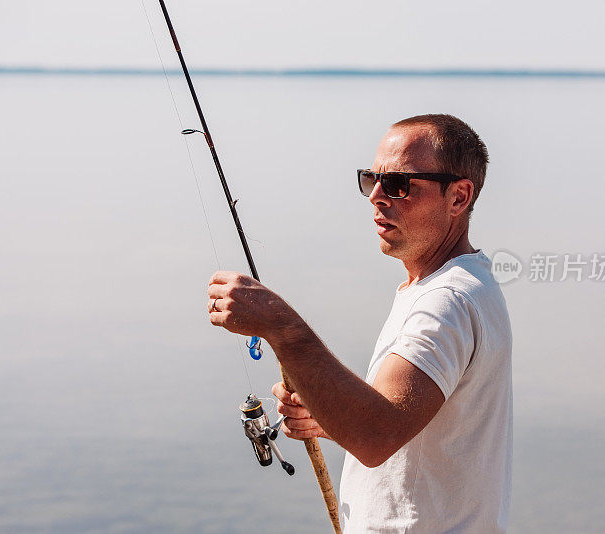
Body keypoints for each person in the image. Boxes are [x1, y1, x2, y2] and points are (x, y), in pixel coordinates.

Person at [207, 114, 512, 533]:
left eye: (400, 183)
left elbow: (374, 435)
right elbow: (402, 424)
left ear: (458, 197)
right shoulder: (451, 286)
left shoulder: (447, 302)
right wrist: (330, 417)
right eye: (372, 179)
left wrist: (282, 325)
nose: (377, 196)